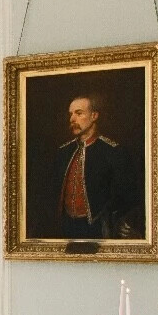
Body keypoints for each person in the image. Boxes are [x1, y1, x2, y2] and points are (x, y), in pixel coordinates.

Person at [51, 94, 142, 240]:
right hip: (66, 227)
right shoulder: (63, 152)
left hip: (98, 227)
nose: (72, 119)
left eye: (79, 113)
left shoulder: (113, 151)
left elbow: (128, 197)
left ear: (94, 116)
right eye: (71, 114)